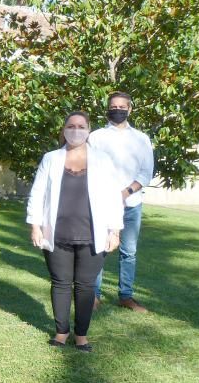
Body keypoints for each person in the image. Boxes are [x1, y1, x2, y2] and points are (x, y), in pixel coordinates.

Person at [27, 111, 123, 352]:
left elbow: (113, 196)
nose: (76, 130)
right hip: (57, 233)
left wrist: (114, 231)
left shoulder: (102, 159)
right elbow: (38, 193)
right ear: (64, 130)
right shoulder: (51, 158)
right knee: (60, 283)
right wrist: (35, 226)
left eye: (81, 126)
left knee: (85, 286)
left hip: (93, 235)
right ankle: (61, 332)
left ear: (89, 130)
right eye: (71, 126)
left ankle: (81, 335)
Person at [90, 91, 154, 312]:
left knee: (129, 252)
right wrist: (108, 195)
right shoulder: (96, 137)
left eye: (121, 107)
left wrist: (125, 193)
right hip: (102, 204)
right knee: (99, 249)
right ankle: (94, 295)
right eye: (113, 107)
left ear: (130, 109)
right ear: (108, 109)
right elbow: (90, 168)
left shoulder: (141, 139)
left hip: (132, 203)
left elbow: (146, 172)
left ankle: (126, 296)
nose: (117, 110)